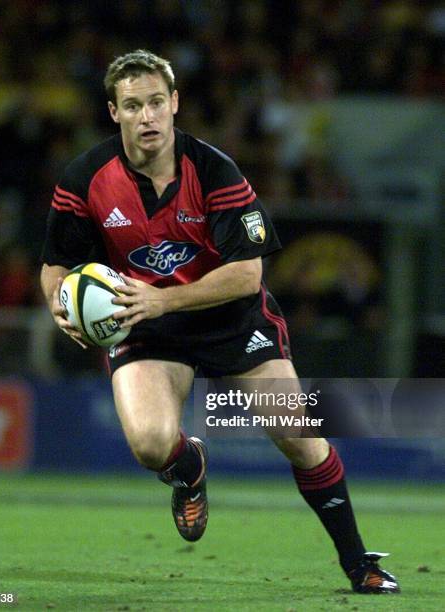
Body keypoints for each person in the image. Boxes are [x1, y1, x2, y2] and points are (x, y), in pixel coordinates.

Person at [40, 49, 400, 594]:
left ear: (175, 103)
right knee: (150, 445)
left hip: (231, 321)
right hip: (147, 326)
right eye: (133, 105)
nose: (148, 116)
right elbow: (54, 267)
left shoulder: (214, 171)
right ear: (114, 112)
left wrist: (164, 300)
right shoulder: (84, 178)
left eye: (157, 102)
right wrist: (59, 306)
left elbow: (247, 274)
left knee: (300, 437)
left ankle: (359, 563)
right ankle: (189, 469)